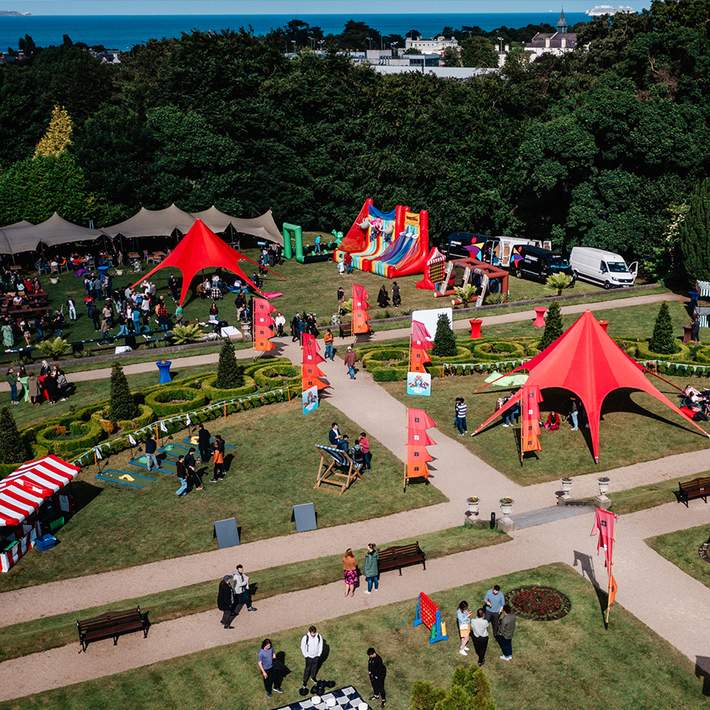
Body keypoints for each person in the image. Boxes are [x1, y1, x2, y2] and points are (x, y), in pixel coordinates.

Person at [300, 626, 323, 693]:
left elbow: (320, 645)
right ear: (310, 632)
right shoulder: (305, 638)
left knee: (314, 668)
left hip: (316, 656)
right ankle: (305, 681)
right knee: (307, 669)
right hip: (309, 657)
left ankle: (313, 677)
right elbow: (302, 647)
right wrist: (306, 655)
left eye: (314, 633)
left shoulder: (319, 636)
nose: (313, 634)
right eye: (312, 633)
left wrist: (319, 654)